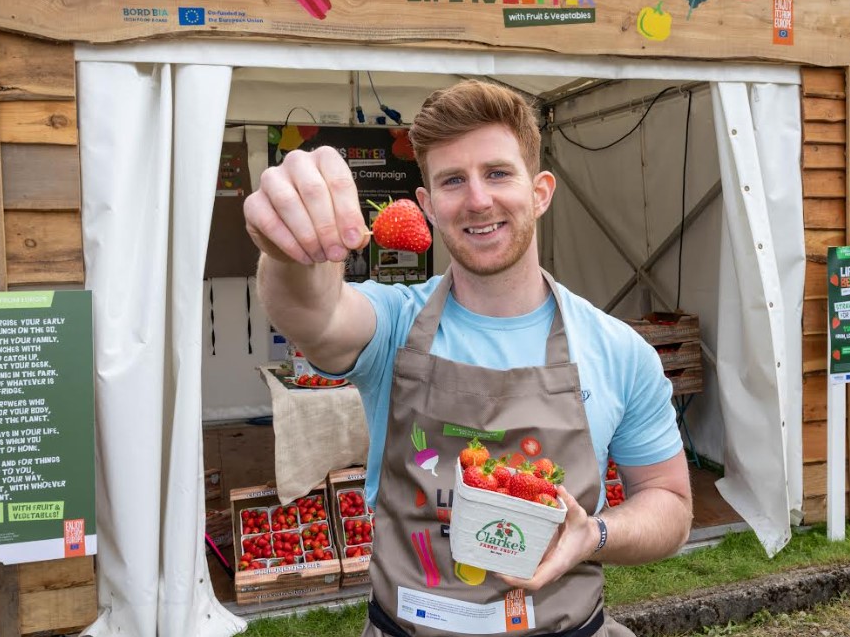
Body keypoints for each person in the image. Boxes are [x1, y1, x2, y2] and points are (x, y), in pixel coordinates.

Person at [244, 80, 693, 636]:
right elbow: (311, 312)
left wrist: (593, 535)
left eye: (498, 173)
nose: (477, 199)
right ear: (428, 207)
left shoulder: (618, 350)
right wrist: (292, 249)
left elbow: (670, 503)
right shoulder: (395, 326)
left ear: (541, 192)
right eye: (453, 180)